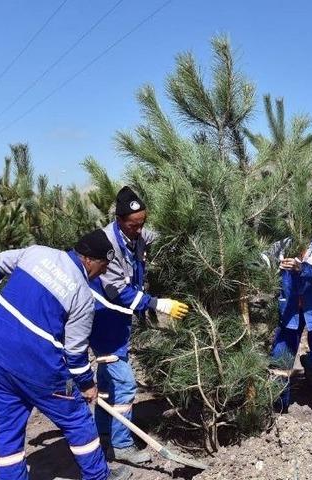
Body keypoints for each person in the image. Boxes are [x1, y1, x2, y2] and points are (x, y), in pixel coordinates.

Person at [0, 230, 130, 480]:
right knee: (77, 418)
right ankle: (98, 476)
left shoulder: (36, 253)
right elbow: (75, 356)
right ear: (88, 259)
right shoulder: (82, 296)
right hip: (40, 368)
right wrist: (87, 386)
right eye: (103, 265)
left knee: (8, 428)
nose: (104, 271)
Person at [87, 186, 189, 466]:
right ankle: (121, 445)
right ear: (119, 220)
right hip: (104, 317)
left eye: (142, 224)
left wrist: (187, 232)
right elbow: (118, 291)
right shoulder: (107, 244)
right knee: (124, 384)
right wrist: (159, 304)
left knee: (108, 384)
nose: (139, 230)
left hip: (119, 318)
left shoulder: (138, 233)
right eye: (133, 225)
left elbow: (165, 236)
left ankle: (104, 436)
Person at [265, 237, 312, 413]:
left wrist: (301, 267)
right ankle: (279, 410)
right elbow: (263, 260)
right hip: (290, 313)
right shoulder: (282, 244)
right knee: (280, 361)